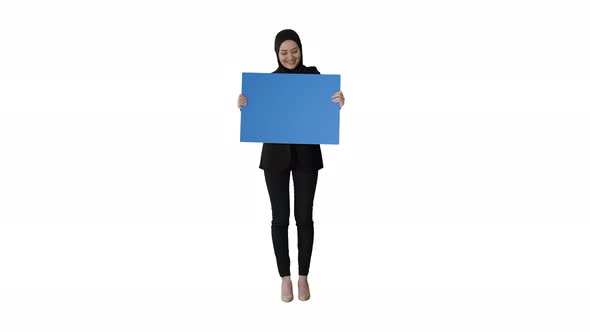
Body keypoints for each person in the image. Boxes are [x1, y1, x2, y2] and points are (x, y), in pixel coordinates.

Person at [237, 29, 345, 302]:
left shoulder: (313, 76)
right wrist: (245, 105)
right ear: (276, 53)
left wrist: (338, 102)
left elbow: (325, 106)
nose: (289, 56)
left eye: (294, 50)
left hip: (307, 156)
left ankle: (304, 277)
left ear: (301, 49)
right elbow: (257, 114)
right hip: (274, 157)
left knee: (304, 216)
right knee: (279, 217)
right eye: (283, 52)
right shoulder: (267, 83)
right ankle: (284, 277)